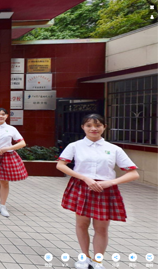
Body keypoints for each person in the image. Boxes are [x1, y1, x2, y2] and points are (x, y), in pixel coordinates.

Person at [56, 114, 139, 269]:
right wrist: (84, 178)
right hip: (82, 187)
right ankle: (84, 257)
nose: (93, 128)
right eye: (89, 125)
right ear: (83, 127)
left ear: (104, 127)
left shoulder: (114, 149)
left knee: (101, 227)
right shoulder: (75, 146)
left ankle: (98, 261)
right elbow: (61, 165)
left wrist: (111, 182)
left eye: (98, 125)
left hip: (105, 190)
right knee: (82, 224)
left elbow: (133, 173)